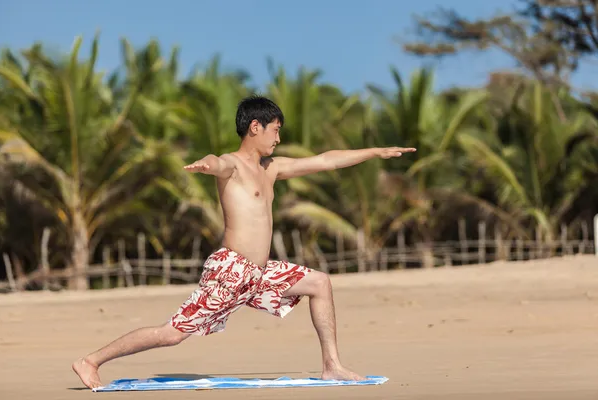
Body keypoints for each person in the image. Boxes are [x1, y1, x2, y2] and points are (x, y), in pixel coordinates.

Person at [72, 95, 416, 389]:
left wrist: (376, 152)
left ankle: (332, 366)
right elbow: (216, 163)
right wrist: (205, 165)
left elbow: (325, 160)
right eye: (276, 130)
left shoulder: (272, 168)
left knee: (319, 283)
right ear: (256, 126)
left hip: (260, 272)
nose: (278, 138)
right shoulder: (233, 166)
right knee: (172, 334)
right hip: (231, 270)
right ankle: (92, 359)